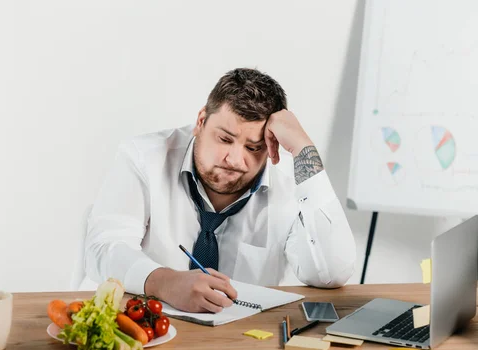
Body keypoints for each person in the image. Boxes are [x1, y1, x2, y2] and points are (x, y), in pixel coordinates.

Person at [85, 68, 356, 313]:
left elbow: (330, 274)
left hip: (239, 342)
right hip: (140, 324)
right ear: (201, 120)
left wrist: (303, 149)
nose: (235, 160)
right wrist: (165, 282)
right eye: (225, 139)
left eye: (253, 148)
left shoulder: (291, 181)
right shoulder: (143, 157)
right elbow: (104, 248)